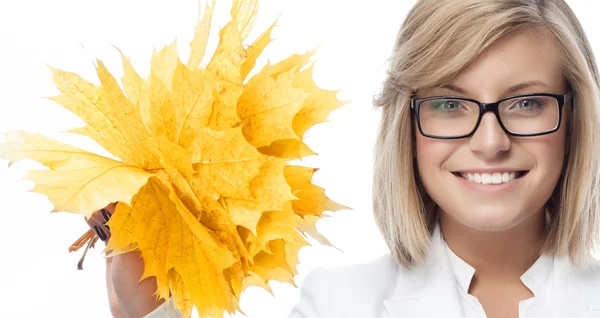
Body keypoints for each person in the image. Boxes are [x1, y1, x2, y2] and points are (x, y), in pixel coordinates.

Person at [87, 0, 600, 317]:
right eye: (449, 103)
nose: (490, 142)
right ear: (408, 125)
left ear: (577, 118)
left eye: (526, 103)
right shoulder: (338, 303)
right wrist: (148, 315)